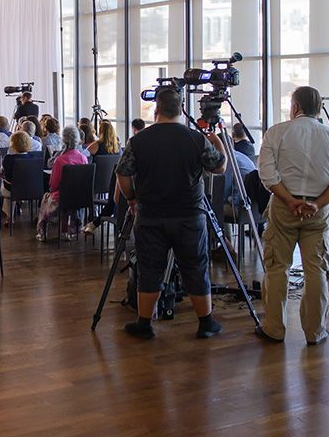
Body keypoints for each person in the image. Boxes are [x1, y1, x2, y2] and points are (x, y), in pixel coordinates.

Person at [115, 87, 227, 340]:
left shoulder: (139, 140)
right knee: (195, 267)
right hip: (189, 215)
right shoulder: (195, 139)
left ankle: (144, 323)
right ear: (180, 110)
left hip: (150, 215)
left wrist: (132, 197)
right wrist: (217, 140)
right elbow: (219, 167)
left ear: (156, 110)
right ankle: (206, 322)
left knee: (149, 268)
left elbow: (122, 172)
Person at [257, 86, 329, 345]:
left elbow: (267, 174)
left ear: (295, 107)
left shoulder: (277, 132)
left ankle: (274, 328)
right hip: (318, 212)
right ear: (319, 108)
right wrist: (317, 204)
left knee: (277, 267)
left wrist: (289, 200)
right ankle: (315, 331)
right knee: (316, 270)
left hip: (283, 208)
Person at [35, 126, 89, 241]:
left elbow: (53, 185)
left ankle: (42, 232)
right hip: (79, 197)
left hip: (61, 198)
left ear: (63, 140)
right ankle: (72, 230)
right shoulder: (83, 158)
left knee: (45, 198)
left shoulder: (60, 160)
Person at [1, 130, 40, 227]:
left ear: (12, 143)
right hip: (31, 190)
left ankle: (10, 217)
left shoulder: (8, 158)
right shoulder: (34, 158)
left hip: (12, 189)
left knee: (4, 184)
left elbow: (4, 173)